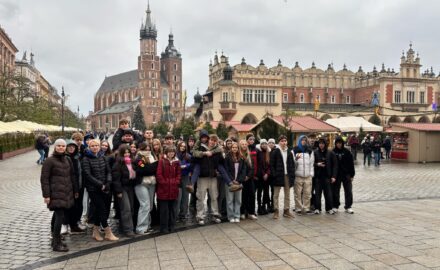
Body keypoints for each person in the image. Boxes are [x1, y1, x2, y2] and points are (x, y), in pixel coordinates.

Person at [40, 139, 78, 252]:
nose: (61, 147)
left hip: (66, 193)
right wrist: (46, 195)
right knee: (59, 217)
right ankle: (56, 243)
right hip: (55, 194)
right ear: (55, 147)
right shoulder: (49, 161)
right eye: (59, 146)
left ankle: (56, 240)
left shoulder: (67, 159)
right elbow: (44, 179)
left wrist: (75, 190)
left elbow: (72, 175)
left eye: (63, 146)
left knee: (59, 216)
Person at [82, 139, 119, 241]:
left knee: (103, 210)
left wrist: (108, 182)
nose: (95, 147)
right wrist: (100, 185)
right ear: (89, 147)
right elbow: (88, 175)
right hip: (94, 189)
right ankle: (108, 232)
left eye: (96, 146)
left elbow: (108, 171)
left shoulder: (103, 157)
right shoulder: (85, 159)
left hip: (106, 188)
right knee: (101, 209)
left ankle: (95, 231)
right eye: (92, 146)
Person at [193, 134, 224, 225]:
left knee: (214, 197)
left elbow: (221, 162)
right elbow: (194, 156)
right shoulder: (201, 148)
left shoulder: (217, 151)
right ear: (208, 140)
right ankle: (200, 216)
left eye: (214, 141)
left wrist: (220, 153)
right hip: (202, 177)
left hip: (213, 177)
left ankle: (215, 214)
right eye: (211, 140)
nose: (212, 142)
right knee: (200, 197)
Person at [112, 144, 137, 237]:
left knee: (131, 209)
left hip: (131, 187)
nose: (127, 154)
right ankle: (128, 230)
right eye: (125, 153)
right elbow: (116, 179)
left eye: (128, 152)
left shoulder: (132, 162)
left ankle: (125, 227)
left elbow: (139, 169)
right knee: (126, 209)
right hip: (122, 188)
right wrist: (118, 191)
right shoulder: (118, 164)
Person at [62, 140, 86, 234]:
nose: (71, 148)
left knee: (78, 206)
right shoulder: (64, 158)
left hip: (79, 186)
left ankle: (74, 225)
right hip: (68, 187)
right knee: (68, 207)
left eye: (73, 146)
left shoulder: (78, 157)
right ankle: (65, 225)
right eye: (69, 146)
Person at [134, 142, 158, 234]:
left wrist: (151, 167)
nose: (147, 151)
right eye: (145, 149)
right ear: (140, 149)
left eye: (148, 149)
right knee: (145, 205)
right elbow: (144, 170)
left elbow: (149, 169)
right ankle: (140, 228)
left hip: (152, 183)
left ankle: (148, 225)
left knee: (150, 206)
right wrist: (154, 166)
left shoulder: (152, 157)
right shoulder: (138, 159)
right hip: (141, 183)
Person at [156, 146, 181, 233]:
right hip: (164, 190)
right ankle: (164, 227)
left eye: (172, 152)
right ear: (166, 152)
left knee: (173, 209)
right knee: (164, 210)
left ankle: (172, 226)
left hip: (173, 189)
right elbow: (159, 174)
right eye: (169, 152)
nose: (171, 153)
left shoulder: (176, 162)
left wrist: (176, 182)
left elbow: (178, 174)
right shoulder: (161, 161)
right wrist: (165, 183)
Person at [269, 135, 295, 219]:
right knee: (276, 194)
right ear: (279, 142)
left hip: (287, 175)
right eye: (282, 141)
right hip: (278, 175)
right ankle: (276, 211)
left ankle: (286, 210)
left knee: (287, 194)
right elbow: (271, 165)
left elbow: (292, 164)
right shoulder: (275, 151)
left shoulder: (289, 152)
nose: (284, 142)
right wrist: (274, 174)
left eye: (285, 141)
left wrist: (292, 174)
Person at [313, 138, 337, 215]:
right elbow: (311, 164)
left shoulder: (330, 153)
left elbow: (335, 165)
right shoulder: (315, 152)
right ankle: (317, 208)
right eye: (320, 143)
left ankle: (329, 208)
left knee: (328, 194)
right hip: (318, 177)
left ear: (325, 144)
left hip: (327, 176)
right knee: (317, 194)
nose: (321, 145)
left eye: (322, 143)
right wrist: (317, 164)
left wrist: (334, 176)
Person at [223, 142, 246, 223]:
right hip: (230, 182)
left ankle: (237, 215)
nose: (235, 149)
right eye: (233, 147)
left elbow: (243, 170)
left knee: (238, 200)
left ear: (238, 148)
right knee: (230, 200)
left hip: (239, 182)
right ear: (231, 148)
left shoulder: (242, 157)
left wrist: (239, 180)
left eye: (236, 147)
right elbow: (226, 169)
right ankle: (231, 216)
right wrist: (232, 179)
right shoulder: (227, 157)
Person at [332, 136, 355, 214]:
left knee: (348, 190)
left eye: (340, 143)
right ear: (335, 144)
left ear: (342, 143)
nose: (339, 144)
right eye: (337, 143)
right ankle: (335, 206)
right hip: (337, 175)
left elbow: (351, 164)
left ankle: (348, 206)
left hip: (346, 174)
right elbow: (331, 164)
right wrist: (332, 175)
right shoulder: (333, 152)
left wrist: (352, 175)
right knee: (335, 191)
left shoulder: (347, 152)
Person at [293, 135, 315, 214]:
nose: (304, 141)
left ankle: (306, 207)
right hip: (298, 176)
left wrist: (311, 174)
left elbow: (311, 163)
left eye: (305, 140)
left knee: (307, 193)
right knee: (297, 193)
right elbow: (292, 163)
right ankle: (298, 208)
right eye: (302, 140)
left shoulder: (309, 151)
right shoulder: (295, 150)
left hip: (307, 176)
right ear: (299, 140)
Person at [176, 141, 192, 221]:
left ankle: (183, 214)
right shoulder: (175, 155)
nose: (182, 147)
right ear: (178, 146)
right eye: (181, 146)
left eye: (184, 146)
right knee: (178, 196)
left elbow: (192, 165)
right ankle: (176, 214)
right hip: (177, 177)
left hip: (185, 176)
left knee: (185, 196)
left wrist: (185, 166)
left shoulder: (188, 156)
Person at [256, 139, 270, 215]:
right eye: (263, 144)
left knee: (266, 192)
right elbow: (258, 165)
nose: (264, 145)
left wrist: (267, 173)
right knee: (259, 191)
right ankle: (259, 207)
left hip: (267, 177)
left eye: (265, 144)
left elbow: (269, 165)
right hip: (260, 176)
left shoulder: (268, 153)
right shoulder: (259, 153)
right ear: (260, 145)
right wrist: (263, 174)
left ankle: (264, 205)